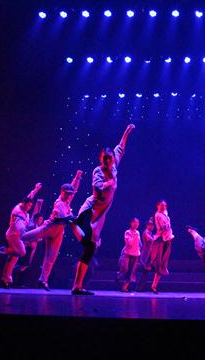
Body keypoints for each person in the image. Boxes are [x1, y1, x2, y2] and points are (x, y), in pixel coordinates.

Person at [70, 124, 135, 295]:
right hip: (90, 210)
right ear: (101, 159)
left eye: (110, 158)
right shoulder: (98, 171)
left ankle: (77, 286)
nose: (108, 160)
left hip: (99, 216)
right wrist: (109, 183)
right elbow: (97, 189)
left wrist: (126, 131)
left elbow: (120, 147)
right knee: (87, 245)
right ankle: (73, 222)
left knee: (90, 250)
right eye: (105, 158)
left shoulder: (114, 166)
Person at [20, 171, 83, 291]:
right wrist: (75, 218)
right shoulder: (59, 203)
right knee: (26, 236)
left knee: (51, 257)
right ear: (62, 191)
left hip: (58, 232)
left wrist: (77, 177)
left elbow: (73, 188)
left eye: (69, 194)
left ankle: (43, 280)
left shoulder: (67, 200)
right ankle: (14, 239)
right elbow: (64, 218)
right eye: (66, 193)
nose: (69, 196)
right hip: (49, 228)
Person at [0, 183, 42, 288]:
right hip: (13, 235)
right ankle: (5, 250)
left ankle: (5, 279)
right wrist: (27, 237)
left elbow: (29, 197)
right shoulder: (18, 212)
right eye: (29, 205)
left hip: (16, 235)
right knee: (22, 252)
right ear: (23, 204)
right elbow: (20, 228)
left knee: (14, 258)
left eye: (31, 206)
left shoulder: (23, 207)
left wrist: (35, 189)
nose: (30, 208)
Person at [150, 200, 174, 294]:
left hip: (167, 239)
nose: (163, 207)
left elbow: (167, 227)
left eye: (164, 205)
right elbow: (164, 227)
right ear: (157, 206)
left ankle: (154, 286)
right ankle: (154, 285)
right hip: (161, 240)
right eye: (161, 205)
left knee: (162, 264)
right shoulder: (158, 215)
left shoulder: (165, 214)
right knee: (158, 262)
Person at [117, 218, 141, 292]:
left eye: (137, 223)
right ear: (131, 223)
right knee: (125, 268)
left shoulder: (138, 232)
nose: (136, 224)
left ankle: (125, 287)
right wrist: (135, 236)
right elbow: (129, 243)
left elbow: (139, 243)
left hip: (135, 254)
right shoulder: (127, 232)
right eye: (134, 222)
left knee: (131, 272)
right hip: (127, 253)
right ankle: (119, 274)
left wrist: (139, 249)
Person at [133, 218, 158, 290]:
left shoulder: (150, 233)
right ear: (147, 225)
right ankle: (138, 287)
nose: (152, 227)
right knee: (143, 272)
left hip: (149, 254)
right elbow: (150, 239)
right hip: (145, 255)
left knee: (145, 272)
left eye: (153, 225)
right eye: (150, 225)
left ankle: (141, 288)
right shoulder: (146, 232)